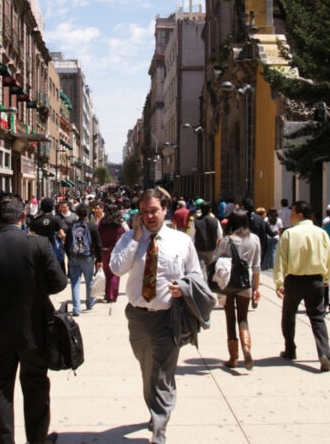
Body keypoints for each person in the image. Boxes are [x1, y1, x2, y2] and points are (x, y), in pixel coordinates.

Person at [0, 197, 67, 444]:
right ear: (23, 218)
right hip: (34, 331)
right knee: (36, 387)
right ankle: (37, 439)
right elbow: (60, 282)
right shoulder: (39, 245)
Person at [110, 188, 206, 444]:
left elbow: (196, 274)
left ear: (165, 209)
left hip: (167, 317)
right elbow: (117, 269)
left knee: (162, 373)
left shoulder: (181, 241)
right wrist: (135, 238)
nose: (150, 216)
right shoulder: (131, 237)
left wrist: (183, 287)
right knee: (148, 371)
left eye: (154, 210)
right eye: (144, 212)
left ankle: (159, 429)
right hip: (138, 318)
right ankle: (155, 411)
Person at [274, 199, 330, 373]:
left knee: (288, 316)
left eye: (292, 212)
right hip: (316, 280)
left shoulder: (289, 234)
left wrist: (279, 282)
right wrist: (326, 276)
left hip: (294, 280)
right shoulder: (321, 233)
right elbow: (329, 257)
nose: (290, 216)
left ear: (300, 215)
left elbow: (280, 260)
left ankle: (290, 349)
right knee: (317, 318)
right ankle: (324, 353)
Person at [213, 209, 261, 369]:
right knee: (243, 318)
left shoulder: (227, 240)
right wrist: (256, 287)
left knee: (230, 318)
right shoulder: (254, 239)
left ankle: (233, 357)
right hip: (245, 282)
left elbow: (216, 259)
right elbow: (256, 266)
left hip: (228, 283)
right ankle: (246, 348)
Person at [66, 204, 103, 316]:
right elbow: (98, 244)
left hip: (74, 257)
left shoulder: (72, 226)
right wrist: (99, 259)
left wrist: (69, 256)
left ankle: (76, 308)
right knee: (89, 281)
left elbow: (67, 244)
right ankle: (90, 302)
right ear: (87, 213)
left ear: (77, 214)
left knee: (75, 283)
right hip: (87, 257)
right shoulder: (91, 226)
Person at [98, 206, 128, 302]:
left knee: (106, 273)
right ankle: (112, 295)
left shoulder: (102, 222)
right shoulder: (120, 222)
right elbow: (126, 233)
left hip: (104, 251)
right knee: (115, 273)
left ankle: (107, 294)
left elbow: (99, 234)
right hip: (116, 251)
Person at [30, 197, 66, 272]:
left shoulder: (36, 221)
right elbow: (62, 235)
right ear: (52, 207)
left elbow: (32, 236)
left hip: (40, 249)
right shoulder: (56, 219)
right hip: (53, 247)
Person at [191, 199, 222, 280]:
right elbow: (220, 237)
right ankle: (209, 282)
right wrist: (217, 248)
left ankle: (204, 284)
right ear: (210, 210)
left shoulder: (195, 221)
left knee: (201, 268)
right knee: (210, 267)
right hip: (212, 248)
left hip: (199, 248)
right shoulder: (216, 221)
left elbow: (192, 237)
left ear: (200, 210)